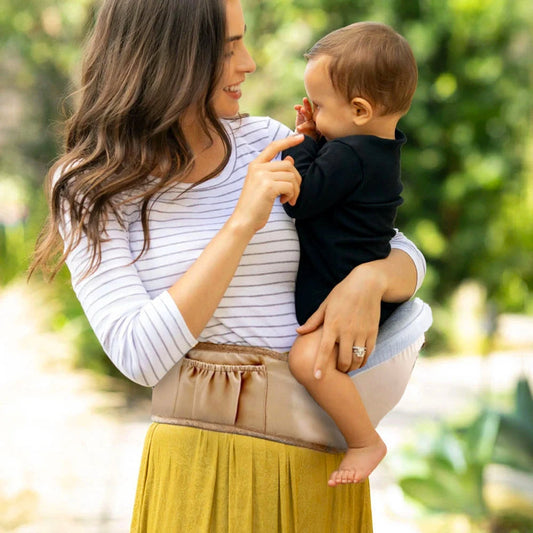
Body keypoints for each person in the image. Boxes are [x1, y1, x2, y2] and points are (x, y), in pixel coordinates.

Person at [29, 1, 427, 531]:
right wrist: (240, 223)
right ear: (167, 57)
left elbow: (399, 250)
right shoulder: (85, 187)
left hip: (315, 461)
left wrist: (371, 277)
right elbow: (137, 355)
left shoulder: (269, 142)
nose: (250, 63)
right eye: (228, 48)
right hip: (196, 471)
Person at [281, 22, 418, 487]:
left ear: (359, 110)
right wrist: (320, 135)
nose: (312, 115)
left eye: (318, 106)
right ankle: (360, 437)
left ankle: (364, 441)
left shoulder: (350, 156)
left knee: (305, 361)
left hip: (337, 287)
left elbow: (301, 198)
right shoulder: (381, 151)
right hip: (358, 283)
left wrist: (302, 144)